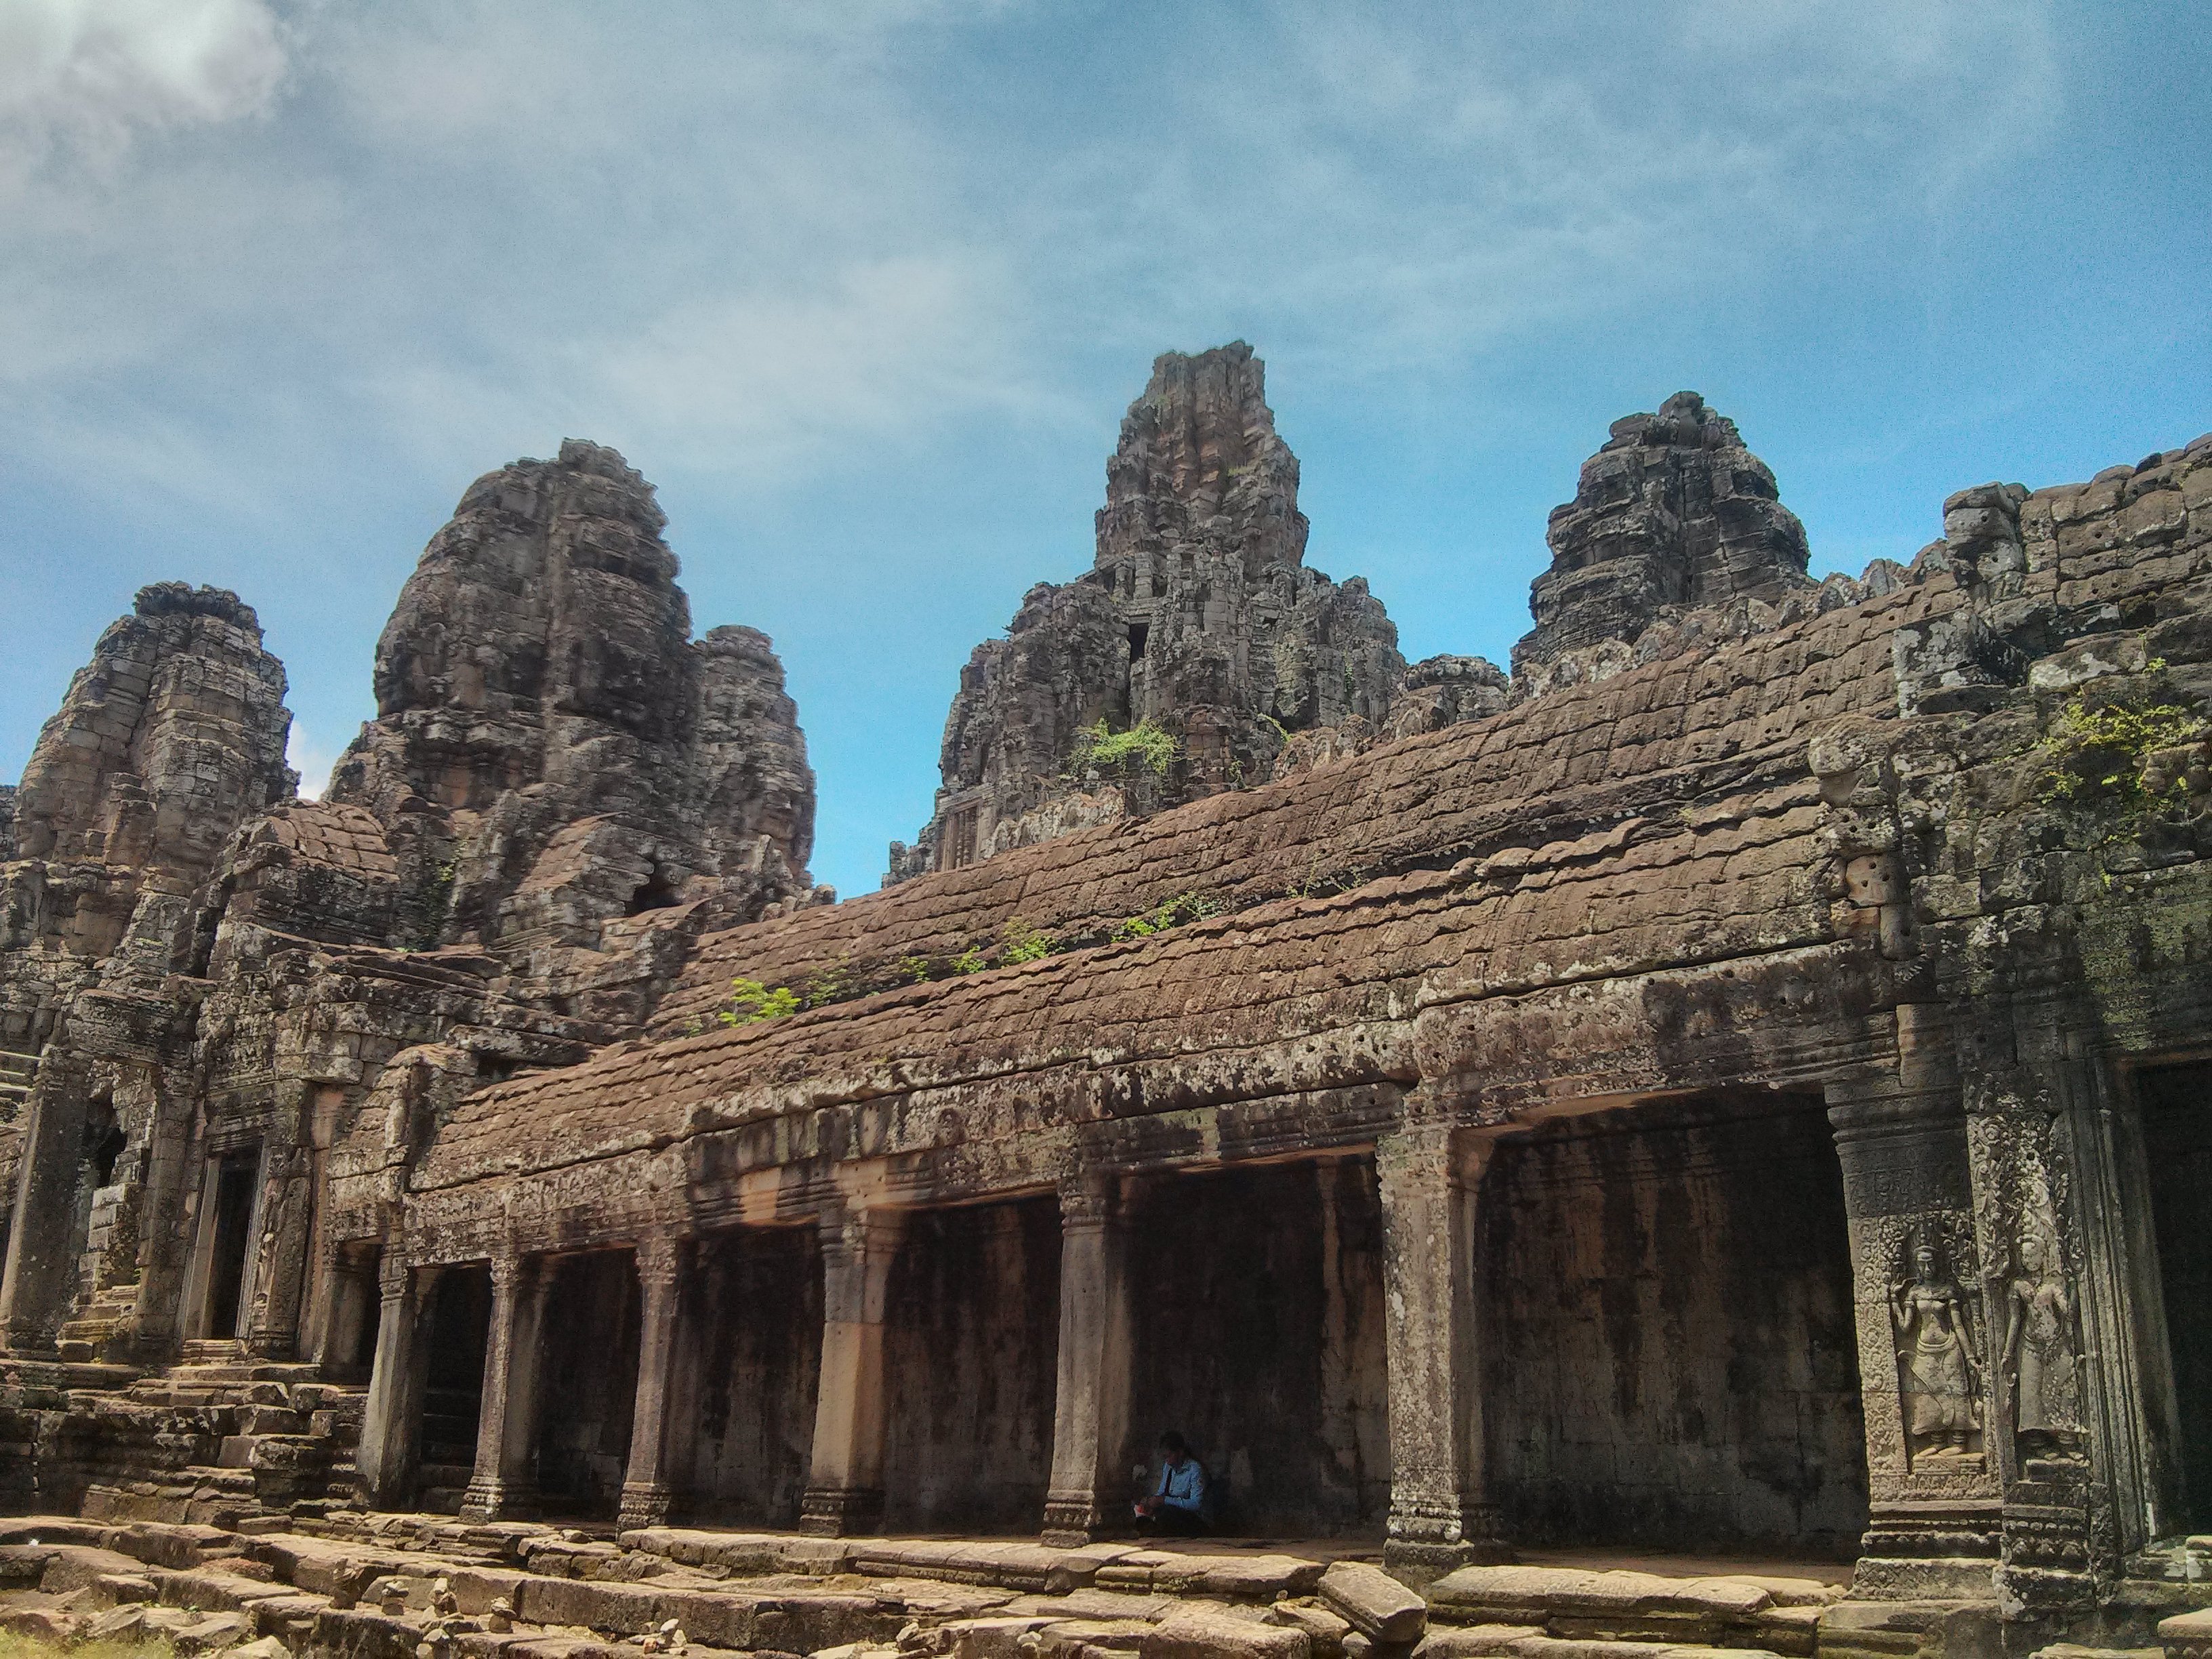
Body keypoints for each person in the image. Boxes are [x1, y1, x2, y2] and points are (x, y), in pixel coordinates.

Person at [1134, 1431, 1208, 1534]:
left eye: (1169, 1456)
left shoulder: (1195, 1470)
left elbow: (1196, 1504)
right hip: (1171, 1511)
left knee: (1168, 1515)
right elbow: (1162, 1492)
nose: (1167, 1461)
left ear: (1180, 1452)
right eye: (1165, 1458)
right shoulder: (1168, 1467)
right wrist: (1151, 1503)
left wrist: (1165, 1500)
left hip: (1193, 1518)